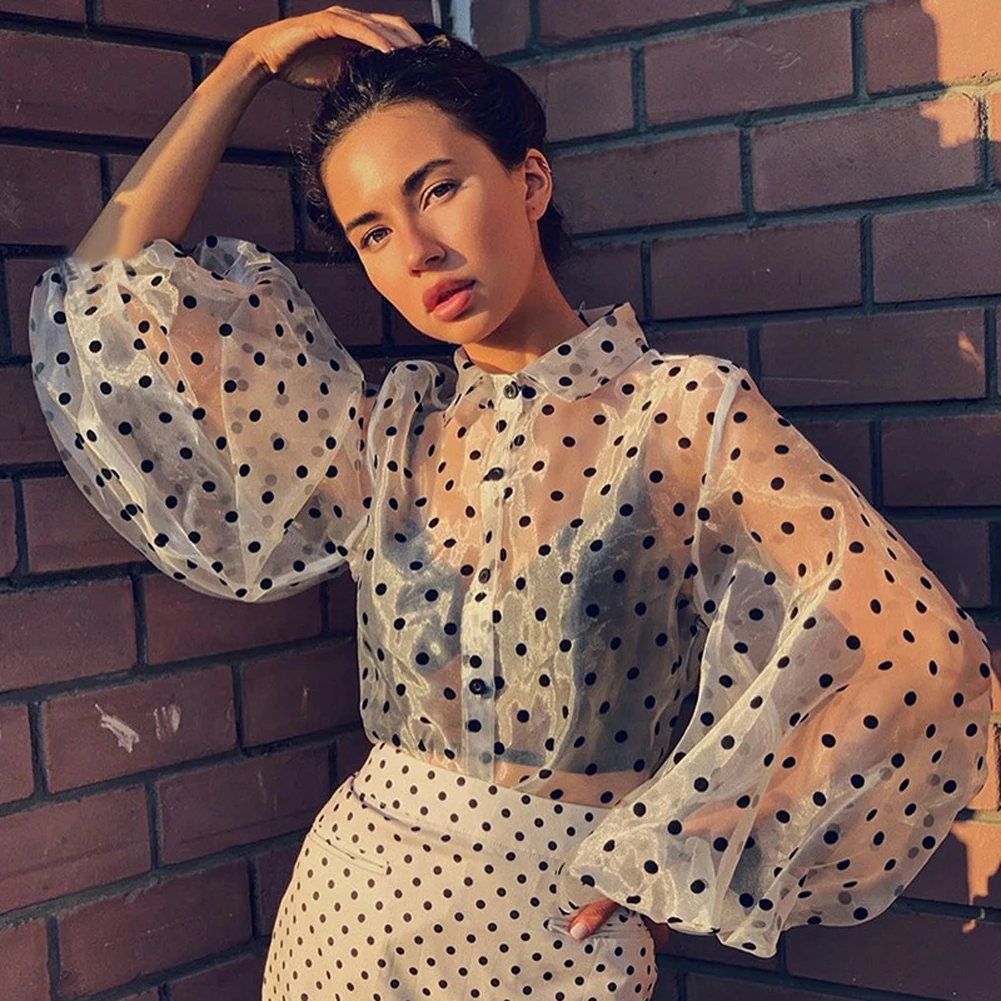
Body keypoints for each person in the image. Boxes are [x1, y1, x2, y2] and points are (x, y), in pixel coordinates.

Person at [25, 6, 993, 999]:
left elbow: (921, 653)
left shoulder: (684, 414)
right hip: (349, 910)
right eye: (372, 231)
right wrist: (243, 67)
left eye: (436, 189)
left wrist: (695, 848)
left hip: (551, 931)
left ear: (528, 181)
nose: (416, 249)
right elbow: (108, 299)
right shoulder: (384, 435)